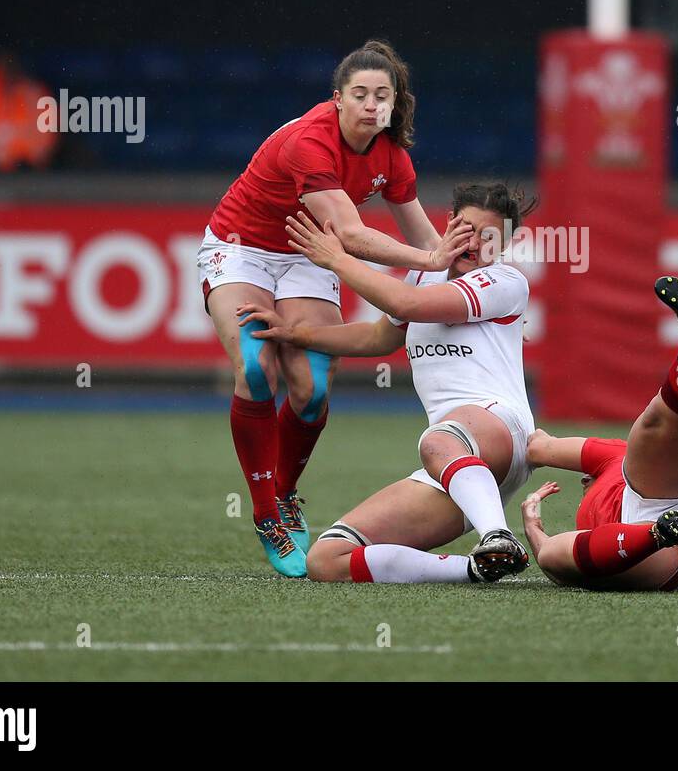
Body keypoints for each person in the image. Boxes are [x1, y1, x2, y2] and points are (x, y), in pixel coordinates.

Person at [198, 39, 474, 577]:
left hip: (308, 255)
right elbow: (351, 233)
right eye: (360, 94)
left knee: (312, 388)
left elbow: (424, 239)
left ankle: (285, 491)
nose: (372, 105)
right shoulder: (310, 141)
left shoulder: (391, 156)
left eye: (382, 96)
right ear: (338, 99)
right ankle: (264, 515)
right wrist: (431, 255)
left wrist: (473, 281)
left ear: (395, 104)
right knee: (258, 368)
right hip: (242, 247)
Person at [235, 183, 539, 584]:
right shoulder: (422, 275)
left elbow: (406, 305)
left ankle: (498, 535)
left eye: (489, 237)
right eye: (466, 229)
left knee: (437, 438)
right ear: (448, 223)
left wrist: (337, 260)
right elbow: (377, 337)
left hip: (501, 429)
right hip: (456, 465)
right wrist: (296, 334)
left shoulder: (504, 281)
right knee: (327, 560)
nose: (474, 244)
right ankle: (478, 567)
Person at [519, 275, 678, 592]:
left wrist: (533, 527)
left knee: (660, 421)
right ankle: (657, 535)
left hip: (669, 498)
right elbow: (538, 450)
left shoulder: (614, 457)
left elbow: (538, 447)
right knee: (655, 426)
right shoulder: (614, 462)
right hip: (676, 539)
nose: (582, 481)